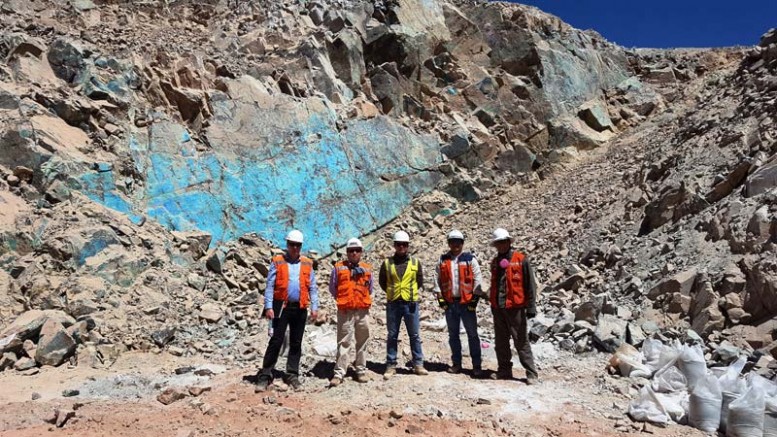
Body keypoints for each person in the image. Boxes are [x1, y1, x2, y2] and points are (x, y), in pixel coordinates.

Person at [256, 230, 319, 391]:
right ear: (287, 244)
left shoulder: (307, 263)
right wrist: (268, 306)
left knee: (296, 342)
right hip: (281, 307)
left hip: (300, 307)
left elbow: (312, 287)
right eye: (292, 244)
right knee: (276, 341)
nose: (295, 248)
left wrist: (314, 307)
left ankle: (292, 374)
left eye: (298, 245)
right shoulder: (278, 261)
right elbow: (270, 286)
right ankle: (265, 374)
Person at [488, 228, 539, 384]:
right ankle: (504, 370)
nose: (501, 245)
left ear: (509, 242)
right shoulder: (495, 262)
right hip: (498, 308)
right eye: (498, 243)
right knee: (501, 342)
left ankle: (531, 373)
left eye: (504, 242)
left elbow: (530, 285)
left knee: (521, 340)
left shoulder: (521, 260)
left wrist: (531, 307)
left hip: (515, 308)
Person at [434, 230, 485, 378]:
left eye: (458, 242)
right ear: (448, 243)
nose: (455, 244)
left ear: (462, 243)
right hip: (450, 303)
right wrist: (440, 299)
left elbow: (478, 279)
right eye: (452, 242)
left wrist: (474, 300)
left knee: (472, 334)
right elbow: (436, 279)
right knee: (453, 335)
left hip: (467, 303)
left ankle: (476, 365)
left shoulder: (470, 259)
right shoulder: (442, 260)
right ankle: (456, 364)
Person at [379, 230, 428, 378]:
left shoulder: (415, 263)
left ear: (408, 246)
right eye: (399, 244)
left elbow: (419, 281)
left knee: (414, 335)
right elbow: (382, 282)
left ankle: (418, 364)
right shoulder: (387, 263)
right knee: (392, 335)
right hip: (393, 304)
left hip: (410, 304)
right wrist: (393, 292)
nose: (401, 247)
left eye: (404, 244)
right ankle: (391, 365)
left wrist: (408, 293)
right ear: (394, 245)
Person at [328, 238, 373, 387]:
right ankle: (339, 373)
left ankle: (361, 370)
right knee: (344, 342)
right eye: (351, 250)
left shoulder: (367, 269)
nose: (354, 253)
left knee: (362, 340)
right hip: (345, 311)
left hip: (362, 310)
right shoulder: (338, 268)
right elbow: (333, 288)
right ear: (347, 252)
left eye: (357, 250)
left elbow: (370, 288)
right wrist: (344, 299)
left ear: (361, 252)